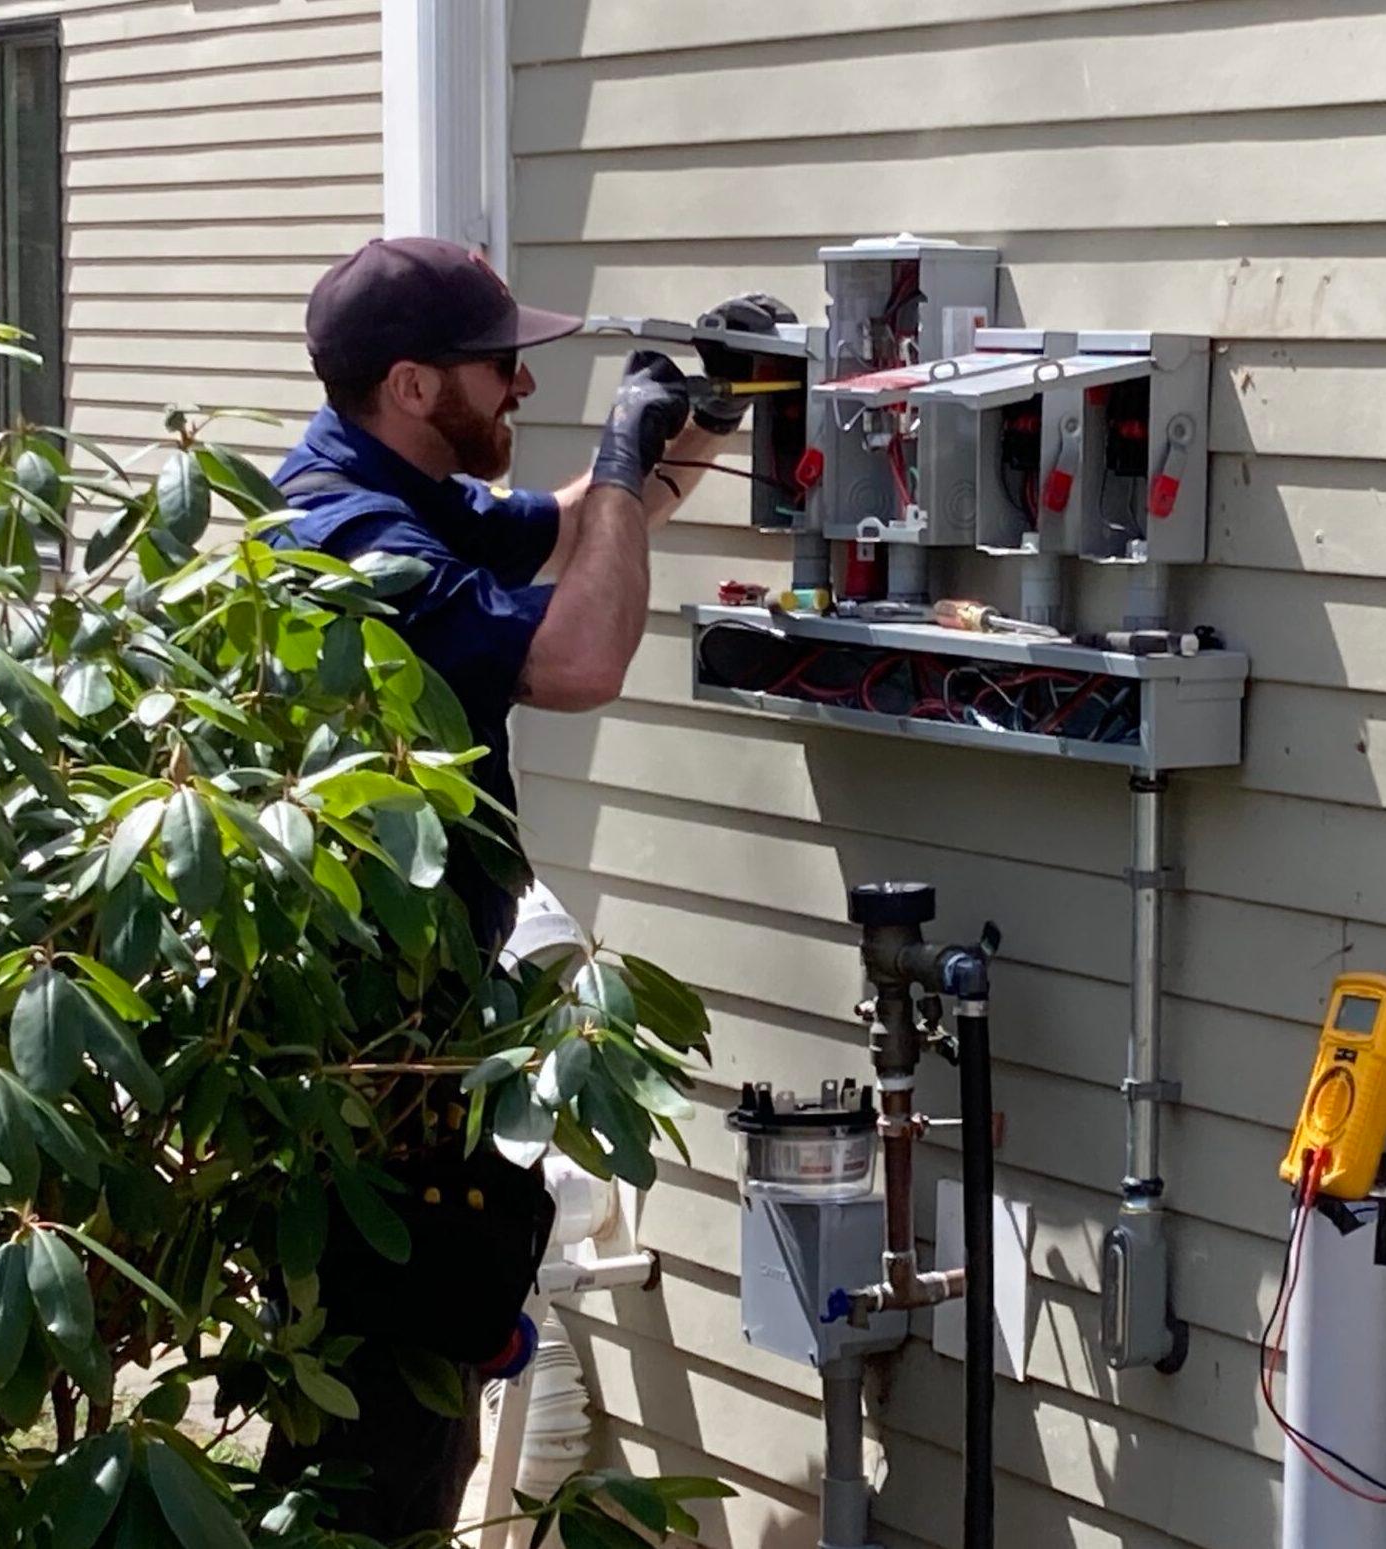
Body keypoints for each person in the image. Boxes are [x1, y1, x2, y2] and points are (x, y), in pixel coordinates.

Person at [261, 236, 791, 1539]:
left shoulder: (387, 480)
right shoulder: (354, 538)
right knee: (383, 1431)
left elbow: (570, 535)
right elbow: (576, 655)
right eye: (499, 366)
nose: (520, 388)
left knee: (414, 1417)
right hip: (378, 1070)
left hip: (423, 1033)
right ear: (409, 384)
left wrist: (703, 420)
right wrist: (619, 457)